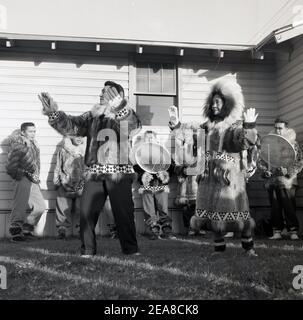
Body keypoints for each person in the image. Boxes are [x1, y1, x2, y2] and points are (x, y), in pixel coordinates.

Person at [38, 81, 141, 256]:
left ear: (118, 96)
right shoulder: (92, 116)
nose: (101, 94)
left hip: (119, 173)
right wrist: (53, 113)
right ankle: (88, 250)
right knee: (86, 213)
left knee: (123, 215)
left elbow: (133, 126)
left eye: (107, 92)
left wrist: (119, 106)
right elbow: (72, 126)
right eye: (101, 91)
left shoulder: (124, 116)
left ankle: (131, 251)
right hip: (94, 174)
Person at [169, 80, 259, 256]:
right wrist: (176, 123)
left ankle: (249, 248)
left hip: (229, 178)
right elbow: (189, 135)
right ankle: (219, 248)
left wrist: (249, 127)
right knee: (212, 211)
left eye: (218, 102)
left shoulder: (234, 127)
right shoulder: (206, 128)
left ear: (227, 104)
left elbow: (244, 142)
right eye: (212, 102)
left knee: (238, 210)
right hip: (209, 177)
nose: (214, 105)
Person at [258, 119, 303, 240]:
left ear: (286, 129)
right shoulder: (269, 144)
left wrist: (288, 173)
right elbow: (262, 160)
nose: (278, 130)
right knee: (275, 207)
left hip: (288, 181)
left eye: (280, 128)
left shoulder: (293, 144)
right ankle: (276, 231)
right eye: (276, 128)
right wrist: (265, 171)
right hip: (273, 181)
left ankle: (292, 231)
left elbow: (299, 162)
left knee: (289, 206)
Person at [6, 122, 46, 241]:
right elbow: (10, 165)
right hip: (22, 177)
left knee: (40, 206)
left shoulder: (34, 144)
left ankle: (27, 229)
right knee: (20, 205)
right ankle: (16, 234)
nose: (33, 134)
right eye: (30, 131)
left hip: (33, 178)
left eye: (34, 131)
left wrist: (36, 176)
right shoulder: (19, 144)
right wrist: (19, 175)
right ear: (23, 132)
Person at [134, 130, 174, 240]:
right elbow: (136, 168)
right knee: (149, 210)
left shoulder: (163, 153)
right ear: (144, 140)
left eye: (152, 138)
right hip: (147, 186)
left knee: (163, 209)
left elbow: (171, 166)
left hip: (160, 185)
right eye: (148, 138)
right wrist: (143, 175)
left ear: (156, 140)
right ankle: (153, 231)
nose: (150, 140)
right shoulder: (140, 154)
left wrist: (165, 173)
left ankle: (166, 231)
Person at [53, 136, 86, 239]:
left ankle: (82, 229)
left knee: (81, 207)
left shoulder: (86, 149)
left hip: (81, 183)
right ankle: (61, 229)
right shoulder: (63, 149)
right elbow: (58, 165)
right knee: (62, 207)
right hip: (65, 182)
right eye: (77, 136)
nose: (79, 138)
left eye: (81, 136)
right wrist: (56, 180)